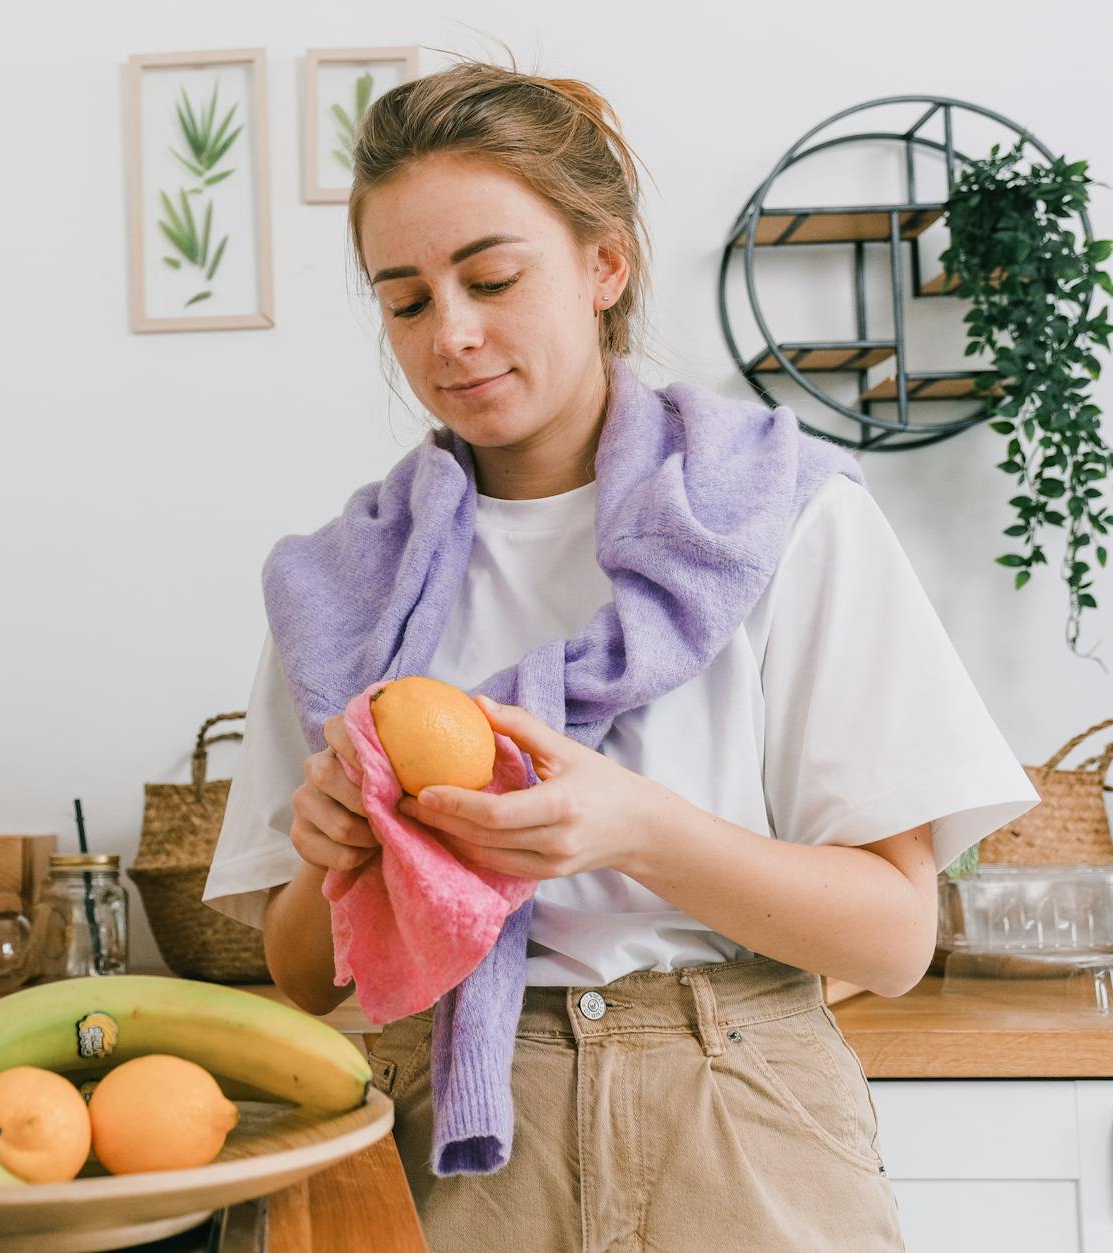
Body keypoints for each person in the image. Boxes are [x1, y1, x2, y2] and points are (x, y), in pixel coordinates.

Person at [202, 57, 1038, 1252]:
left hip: (734, 1116)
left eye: (491, 276)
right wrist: (335, 854)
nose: (453, 333)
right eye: (404, 299)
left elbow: (893, 935)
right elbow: (303, 976)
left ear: (604, 264)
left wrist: (632, 827)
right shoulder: (340, 582)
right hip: (432, 1130)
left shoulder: (777, 515)